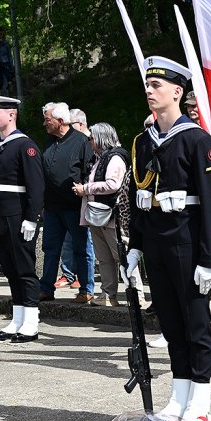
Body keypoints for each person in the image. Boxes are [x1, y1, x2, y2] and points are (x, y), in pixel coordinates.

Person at [119, 56, 211, 420]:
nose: (149, 91)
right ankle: (180, 392)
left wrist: (209, 259)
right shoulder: (143, 142)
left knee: (195, 322)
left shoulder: (197, 140)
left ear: (177, 92)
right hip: (155, 244)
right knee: (169, 323)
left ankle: (200, 394)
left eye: (157, 86)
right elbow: (139, 198)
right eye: (147, 86)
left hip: (187, 242)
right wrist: (135, 246)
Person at [0, 94, 46, 342]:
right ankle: (17, 318)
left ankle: (31, 321)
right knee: (9, 268)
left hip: (18, 215)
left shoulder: (24, 146)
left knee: (24, 269)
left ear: (11, 114)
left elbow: (36, 186)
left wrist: (32, 217)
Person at [38, 101, 95, 305]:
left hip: (74, 206)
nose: (44, 124)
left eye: (47, 120)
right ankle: (46, 288)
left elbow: (89, 171)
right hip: (52, 206)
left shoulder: (81, 141)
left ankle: (87, 289)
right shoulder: (49, 140)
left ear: (60, 121)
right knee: (50, 248)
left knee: (81, 247)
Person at [75, 122, 128, 306]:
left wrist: (86, 188)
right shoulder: (99, 158)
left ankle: (136, 295)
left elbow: (113, 184)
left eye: (91, 137)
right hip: (97, 215)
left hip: (111, 216)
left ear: (100, 138)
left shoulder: (115, 158)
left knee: (121, 256)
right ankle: (108, 295)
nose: (89, 141)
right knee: (104, 258)